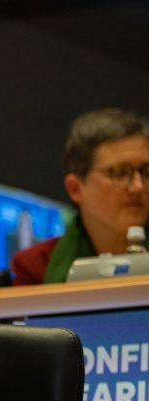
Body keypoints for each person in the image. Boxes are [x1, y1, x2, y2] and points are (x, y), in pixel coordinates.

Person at [11, 108, 149, 285]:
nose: (138, 187)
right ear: (75, 189)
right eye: (119, 173)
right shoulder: (36, 266)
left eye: (146, 172)